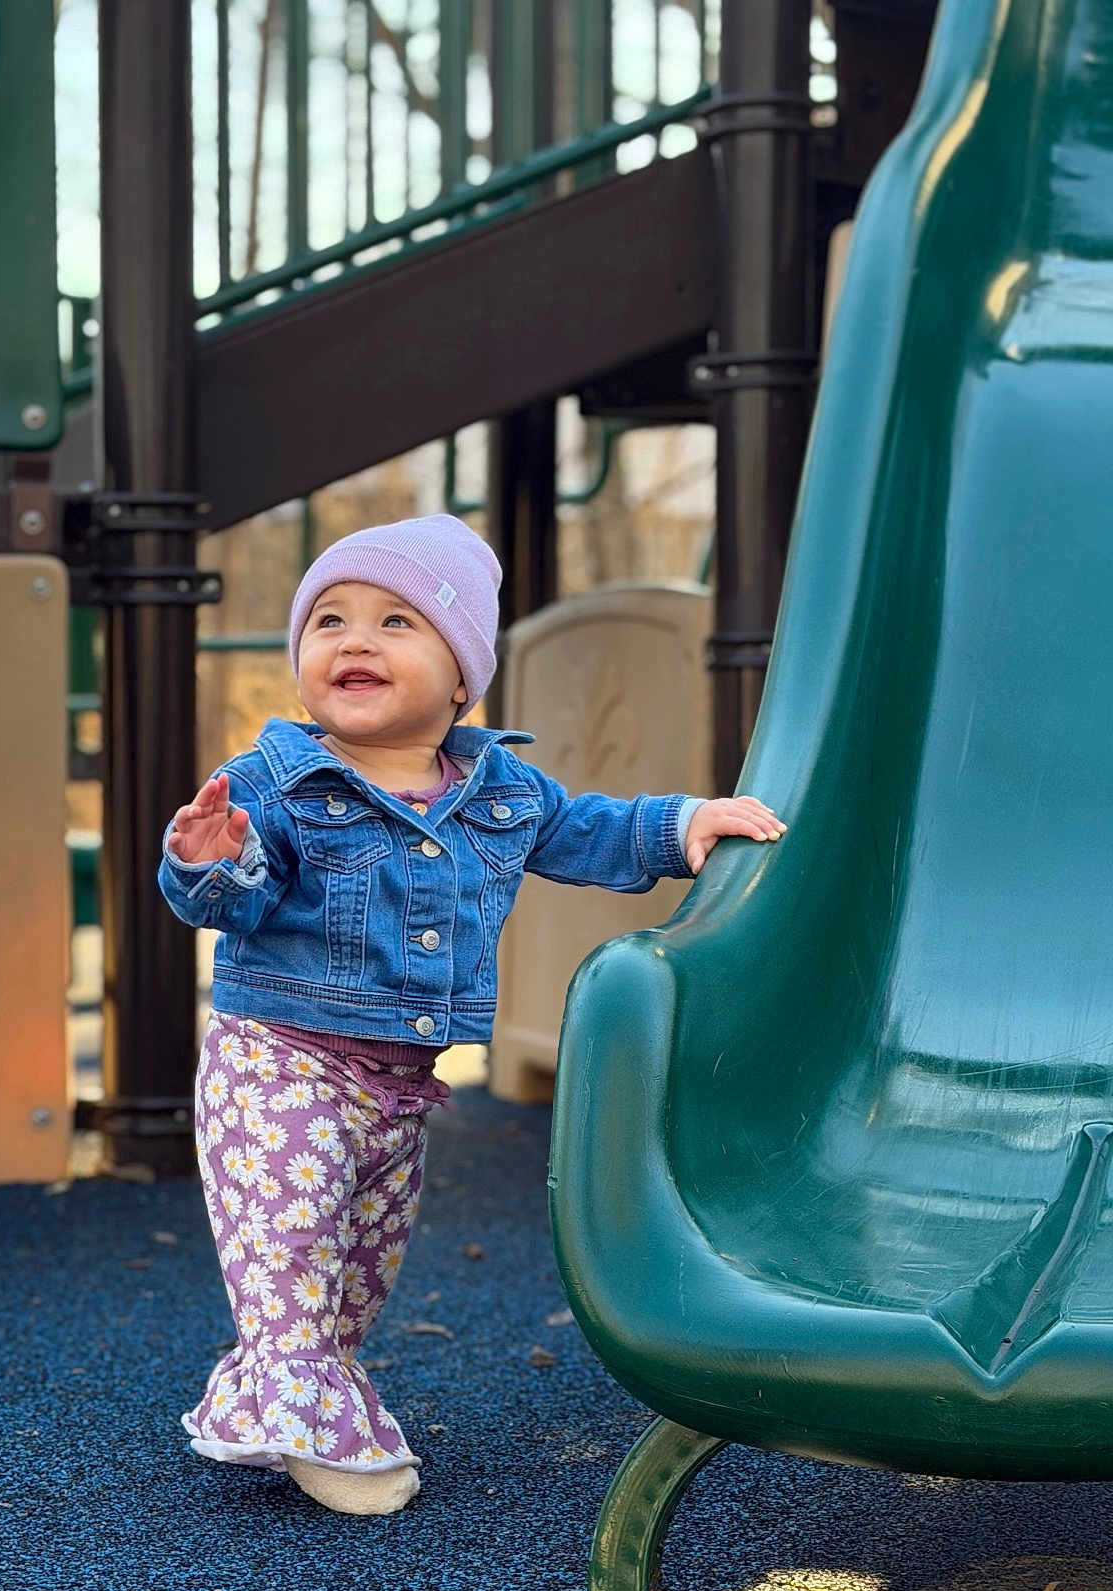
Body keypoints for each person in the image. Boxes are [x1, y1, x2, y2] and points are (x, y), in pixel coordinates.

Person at [158, 514, 786, 1516]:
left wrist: (684, 824)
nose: (354, 640)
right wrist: (209, 857)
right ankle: (320, 1431)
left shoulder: (499, 790)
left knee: (359, 1269)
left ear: (462, 678)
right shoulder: (276, 785)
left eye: (396, 621)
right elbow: (233, 899)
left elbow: (592, 831)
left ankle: (283, 1400)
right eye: (328, 619)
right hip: (276, 1062)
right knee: (291, 1254)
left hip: (400, 1089)